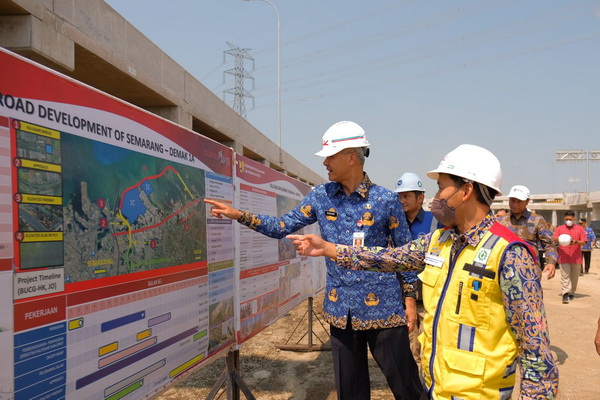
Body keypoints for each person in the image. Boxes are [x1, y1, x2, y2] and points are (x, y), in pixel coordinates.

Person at [288, 144, 559, 399]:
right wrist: (329, 249)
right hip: (435, 388)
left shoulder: (510, 254)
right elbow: (389, 257)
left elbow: (536, 352)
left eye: (441, 188)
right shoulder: (440, 240)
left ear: (466, 191)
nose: (436, 198)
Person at [205, 121, 423, 399]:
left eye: (330, 157)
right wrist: (240, 215)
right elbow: (282, 226)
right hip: (340, 311)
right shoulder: (321, 197)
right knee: (351, 393)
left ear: (351, 157)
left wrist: (409, 300)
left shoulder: (386, 200)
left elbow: (406, 254)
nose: (326, 164)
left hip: (385, 310)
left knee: (407, 387)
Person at [393, 172, 439, 369]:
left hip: (430, 298)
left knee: (429, 349)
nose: (402, 201)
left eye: (406, 196)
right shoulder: (394, 224)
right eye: (399, 196)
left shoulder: (435, 222)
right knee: (408, 352)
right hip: (402, 298)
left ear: (420, 198)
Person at [496, 185, 557, 280]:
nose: (515, 204)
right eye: (512, 200)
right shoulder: (500, 221)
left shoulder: (537, 220)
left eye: (519, 201)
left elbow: (549, 244)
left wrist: (551, 262)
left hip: (530, 271)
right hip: (505, 271)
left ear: (527, 201)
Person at [553, 211, 587, 304]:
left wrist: (575, 242)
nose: (568, 221)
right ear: (564, 219)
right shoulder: (559, 228)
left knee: (574, 277)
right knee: (565, 276)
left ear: (574, 219)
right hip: (563, 256)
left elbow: (584, 241)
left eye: (570, 219)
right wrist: (561, 238)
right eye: (567, 219)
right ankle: (565, 294)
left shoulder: (580, 229)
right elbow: (554, 238)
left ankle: (572, 292)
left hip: (576, 257)